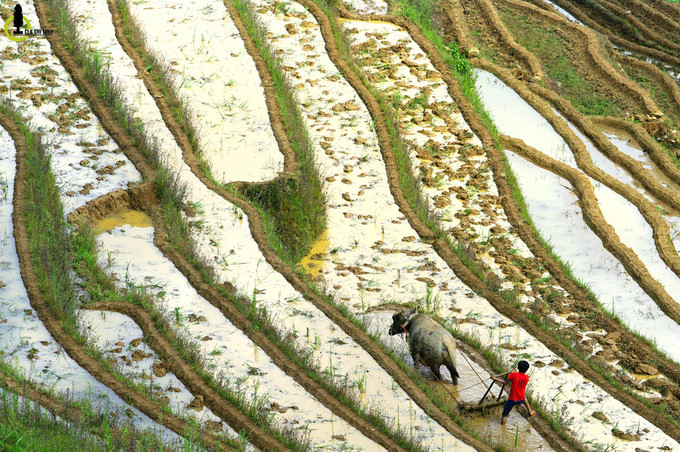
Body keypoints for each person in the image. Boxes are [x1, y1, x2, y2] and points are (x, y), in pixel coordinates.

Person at [491, 360, 535, 425]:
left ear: (518, 367)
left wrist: (495, 379)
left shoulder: (513, 375)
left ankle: (502, 427)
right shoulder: (526, 377)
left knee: (504, 415)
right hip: (521, 398)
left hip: (512, 400)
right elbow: (519, 377)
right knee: (525, 399)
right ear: (526, 370)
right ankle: (530, 411)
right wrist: (512, 374)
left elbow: (505, 383)